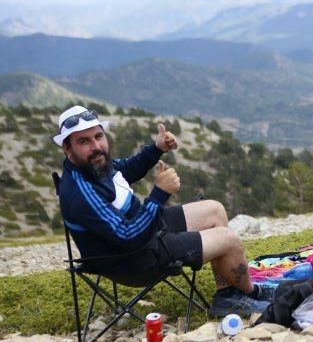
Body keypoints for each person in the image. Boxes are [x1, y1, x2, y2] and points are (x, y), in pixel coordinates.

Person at [53, 105, 271, 317]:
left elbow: (126, 169)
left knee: (214, 209)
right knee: (229, 239)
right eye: (84, 141)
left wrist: (157, 148)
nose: (96, 146)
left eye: (98, 136)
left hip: (146, 232)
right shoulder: (80, 192)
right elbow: (128, 236)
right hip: (134, 259)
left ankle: (228, 294)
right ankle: (250, 292)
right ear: (67, 147)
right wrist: (159, 193)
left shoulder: (93, 165)